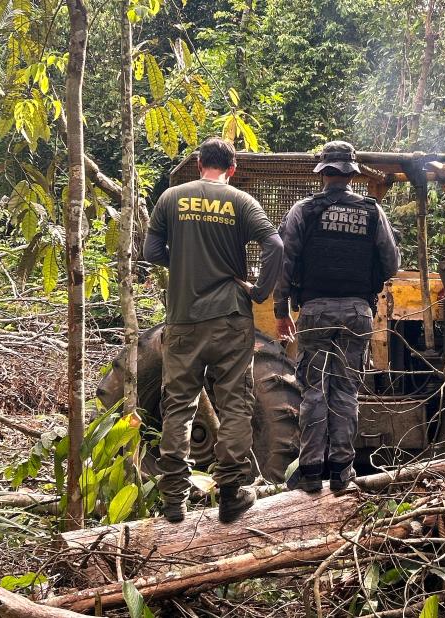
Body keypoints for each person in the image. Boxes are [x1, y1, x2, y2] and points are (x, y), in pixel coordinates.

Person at [144, 138, 283, 523]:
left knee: (179, 404)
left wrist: (185, 263)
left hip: (183, 319)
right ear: (232, 168)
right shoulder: (241, 202)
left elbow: (151, 252)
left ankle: (174, 500)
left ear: (199, 163)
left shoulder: (172, 198)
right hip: (230, 319)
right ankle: (231, 493)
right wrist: (260, 291)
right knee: (236, 402)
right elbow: (274, 244)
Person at [274, 140, 400, 493]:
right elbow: (391, 264)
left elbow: (284, 265)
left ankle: (312, 471)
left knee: (314, 389)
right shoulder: (373, 213)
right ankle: (342, 473)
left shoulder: (303, 211)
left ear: (324, 172)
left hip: (314, 312)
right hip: (357, 314)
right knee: (345, 390)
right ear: (352, 174)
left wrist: (281, 310)